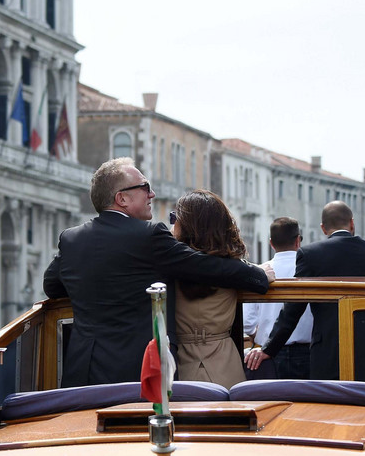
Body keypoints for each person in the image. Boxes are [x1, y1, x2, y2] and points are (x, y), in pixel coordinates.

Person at [43, 158, 273, 387]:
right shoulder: (149, 235)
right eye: (144, 187)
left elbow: (51, 286)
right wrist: (258, 274)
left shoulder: (72, 238)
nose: (151, 194)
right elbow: (206, 266)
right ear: (121, 198)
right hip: (140, 372)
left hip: (84, 370)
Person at [244, 200, 365, 380]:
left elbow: (293, 308)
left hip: (327, 352)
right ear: (352, 223)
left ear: (323, 228)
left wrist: (269, 349)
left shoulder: (310, 255)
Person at [171, 190, 253, 388]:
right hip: (224, 359)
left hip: (179, 362)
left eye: (175, 218)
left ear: (188, 225)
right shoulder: (233, 267)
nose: (172, 224)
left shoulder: (169, 266)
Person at [242, 217, 314, 380]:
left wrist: (261, 338)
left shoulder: (259, 273)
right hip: (307, 354)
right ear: (298, 241)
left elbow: (247, 321)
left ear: (271, 243)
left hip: (267, 354)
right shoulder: (311, 271)